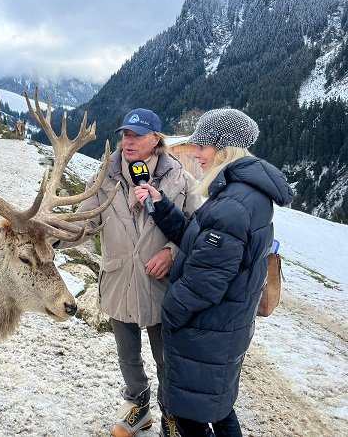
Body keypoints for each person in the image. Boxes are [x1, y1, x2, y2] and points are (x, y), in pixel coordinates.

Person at [133, 108, 294, 436]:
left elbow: (205, 283)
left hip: (204, 333)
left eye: (203, 147)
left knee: (192, 417)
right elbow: (199, 242)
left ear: (225, 148)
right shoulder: (241, 194)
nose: (196, 154)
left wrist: (172, 312)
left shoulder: (233, 205)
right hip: (222, 330)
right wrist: (160, 204)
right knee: (217, 409)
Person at [58, 108, 200, 437]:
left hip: (161, 285)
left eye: (136, 135)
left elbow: (198, 229)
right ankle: (138, 405)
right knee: (127, 355)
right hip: (119, 279)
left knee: (166, 359)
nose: (128, 141)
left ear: (156, 140)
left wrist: (171, 252)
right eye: (125, 134)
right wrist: (43, 237)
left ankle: (171, 413)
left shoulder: (180, 179)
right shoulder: (104, 177)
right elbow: (84, 221)